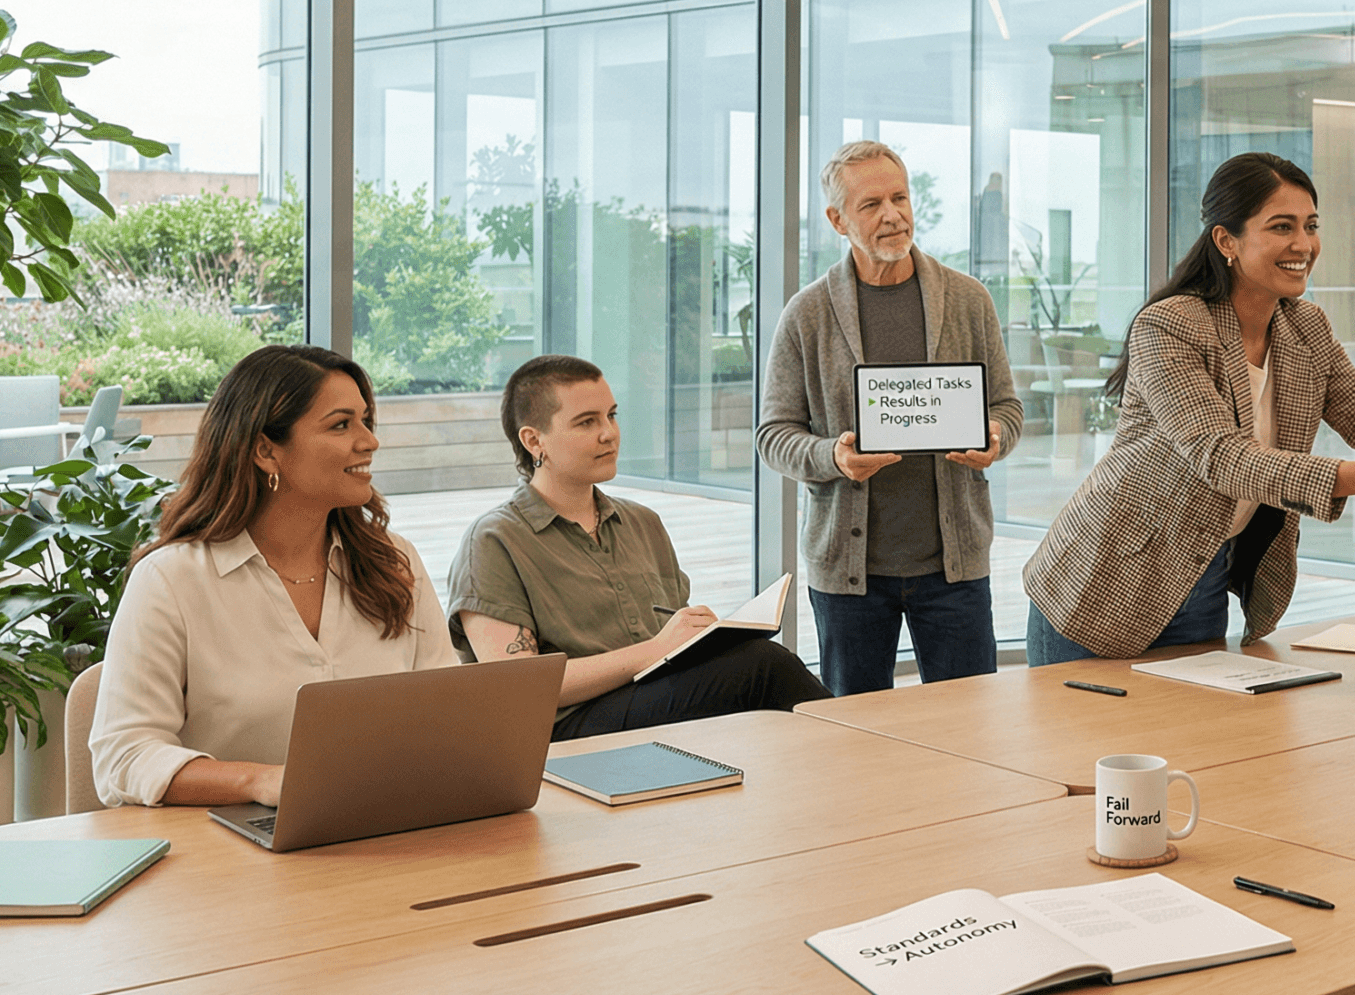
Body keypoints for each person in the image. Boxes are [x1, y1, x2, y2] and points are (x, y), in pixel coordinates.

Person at [1025, 151, 1355, 663]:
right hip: (1104, 578)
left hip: (1206, 573)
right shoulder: (1171, 325)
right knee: (1090, 744)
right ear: (1226, 240)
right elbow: (1221, 456)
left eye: (1310, 225)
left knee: (1190, 738)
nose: (1303, 245)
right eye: (1281, 227)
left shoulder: (1306, 327)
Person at [91, 345, 455, 808]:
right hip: (226, 852)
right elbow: (124, 757)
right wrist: (262, 782)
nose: (369, 441)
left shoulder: (395, 561)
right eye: (341, 424)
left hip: (382, 829)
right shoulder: (170, 581)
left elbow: (449, 714)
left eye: (366, 421)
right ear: (265, 450)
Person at [757, 140, 1024, 695]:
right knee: (856, 740)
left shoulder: (969, 300)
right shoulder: (806, 314)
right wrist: (832, 456)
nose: (892, 215)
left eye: (899, 197)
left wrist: (995, 437)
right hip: (850, 575)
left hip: (954, 570)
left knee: (970, 727)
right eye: (871, 204)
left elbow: (1006, 406)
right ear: (837, 219)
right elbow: (773, 436)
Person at [451, 355, 828, 738]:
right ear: (534, 440)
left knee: (753, 667)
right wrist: (654, 649)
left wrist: (701, 637)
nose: (609, 433)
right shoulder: (494, 541)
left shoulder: (642, 523)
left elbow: (670, 648)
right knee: (762, 666)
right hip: (566, 730)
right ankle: (858, 752)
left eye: (611, 416)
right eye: (587, 422)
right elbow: (518, 686)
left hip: (653, 699)